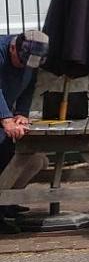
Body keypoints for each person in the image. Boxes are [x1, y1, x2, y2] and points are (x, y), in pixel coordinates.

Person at [0, 28, 48, 222]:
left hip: (5, 115)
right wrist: (6, 118)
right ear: (13, 48)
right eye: (22, 62)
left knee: (36, 160)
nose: (25, 67)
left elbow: (29, 85)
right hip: (2, 116)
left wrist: (21, 113)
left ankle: (8, 203)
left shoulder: (29, 59)